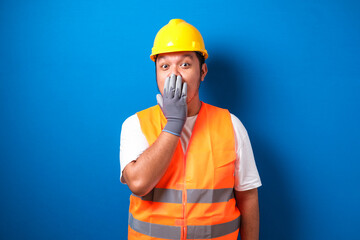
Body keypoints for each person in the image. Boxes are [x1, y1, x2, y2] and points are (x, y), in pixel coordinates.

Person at [119, 19, 262, 240]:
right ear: (156, 73)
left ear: (202, 71)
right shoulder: (135, 124)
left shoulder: (231, 125)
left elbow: (248, 197)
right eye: (164, 66)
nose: (174, 76)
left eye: (185, 65)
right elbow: (138, 184)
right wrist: (174, 124)